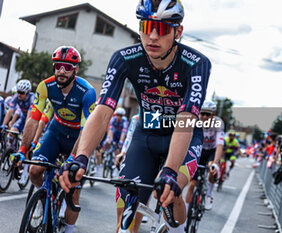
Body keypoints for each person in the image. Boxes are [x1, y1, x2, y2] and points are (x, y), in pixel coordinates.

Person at [59, 1, 211, 232]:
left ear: (177, 32)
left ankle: (175, 205)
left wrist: (170, 170)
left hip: (183, 135)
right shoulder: (125, 58)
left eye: (161, 29)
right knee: (126, 215)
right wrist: (81, 157)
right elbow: (102, 112)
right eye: (146, 26)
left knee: (172, 196)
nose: (151, 36)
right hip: (145, 135)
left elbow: (186, 118)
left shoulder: (197, 63)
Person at [13, 46, 96, 233]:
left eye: (68, 67)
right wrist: (22, 150)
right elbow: (33, 120)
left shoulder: (87, 92)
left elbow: (86, 131)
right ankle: (45, 196)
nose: (62, 70)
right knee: (34, 170)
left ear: (76, 69)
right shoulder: (45, 86)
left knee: (73, 193)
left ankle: (68, 228)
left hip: (77, 137)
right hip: (56, 132)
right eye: (58, 66)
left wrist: (72, 159)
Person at [185, 100, 224, 211]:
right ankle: (186, 209)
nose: (204, 117)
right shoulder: (195, 121)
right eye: (202, 114)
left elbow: (220, 144)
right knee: (192, 184)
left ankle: (209, 194)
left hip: (212, 150)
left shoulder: (218, 123)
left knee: (212, 169)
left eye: (208, 114)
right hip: (199, 150)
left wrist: (215, 162)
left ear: (213, 115)